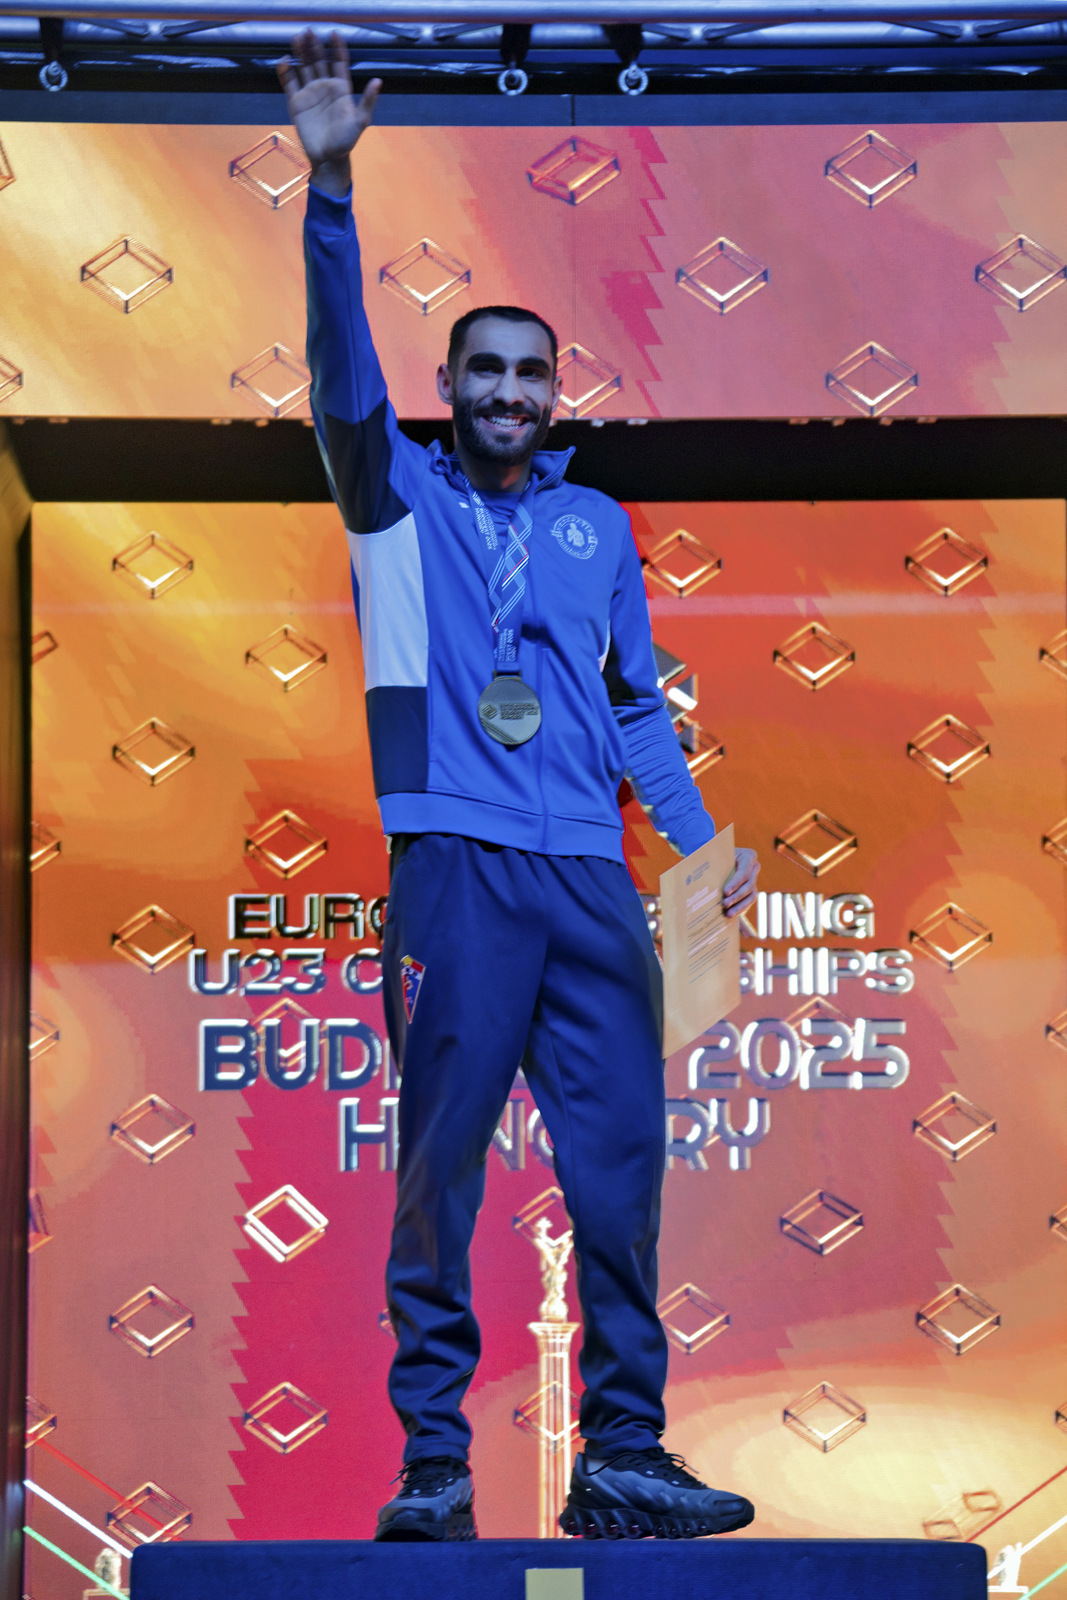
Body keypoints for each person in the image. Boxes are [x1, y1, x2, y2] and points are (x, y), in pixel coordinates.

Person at [279, 31, 760, 1544]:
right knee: (439, 1180)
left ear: (558, 393)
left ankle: (622, 1455)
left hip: (588, 883)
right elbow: (340, 371)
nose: (505, 393)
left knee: (620, 1175)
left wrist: (691, 848)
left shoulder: (597, 526)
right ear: (449, 388)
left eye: (529, 374)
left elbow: (633, 704)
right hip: (456, 869)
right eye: (480, 371)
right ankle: (434, 1463)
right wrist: (334, 184)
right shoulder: (391, 496)